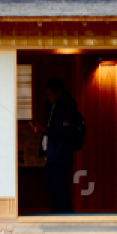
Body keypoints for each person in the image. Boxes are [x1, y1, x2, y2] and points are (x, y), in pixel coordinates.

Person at [39, 78, 84, 214]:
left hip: (61, 154)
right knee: (50, 187)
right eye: (47, 94)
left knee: (60, 188)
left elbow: (64, 133)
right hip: (51, 154)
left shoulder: (66, 108)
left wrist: (44, 130)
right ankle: (56, 214)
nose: (49, 97)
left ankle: (66, 216)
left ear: (58, 93)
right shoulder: (50, 107)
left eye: (51, 94)